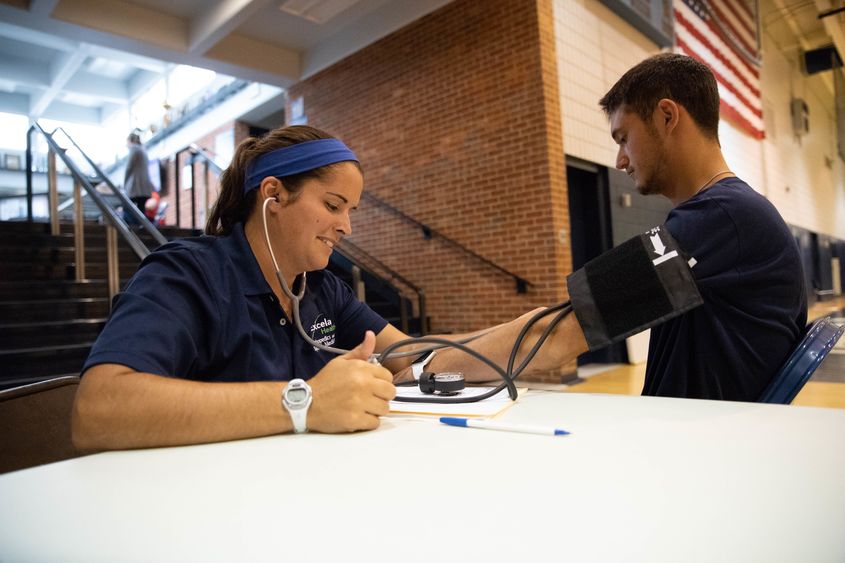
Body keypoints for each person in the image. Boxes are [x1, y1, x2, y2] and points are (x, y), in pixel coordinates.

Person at [73, 125, 588, 451]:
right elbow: (99, 409)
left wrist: (526, 333)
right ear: (273, 195)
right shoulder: (188, 275)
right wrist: (303, 402)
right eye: (334, 205)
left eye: (351, 212)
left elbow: (414, 360)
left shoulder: (320, 289)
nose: (346, 227)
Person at [598, 53, 807, 401]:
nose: (620, 160)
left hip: (698, 447)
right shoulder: (725, 214)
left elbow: (564, 327)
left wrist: (470, 356)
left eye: (623, 138)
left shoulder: (723, 216)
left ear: (667, 116)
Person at [123, 132, 155, 224]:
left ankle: (132, 226)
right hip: (145, 185)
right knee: (141, 208)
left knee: (127, 205)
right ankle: (142, 226)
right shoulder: (143, 150)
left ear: (130, 141)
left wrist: (125, 183)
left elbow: (129, 167)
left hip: (135, 185)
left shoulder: (134, 149)